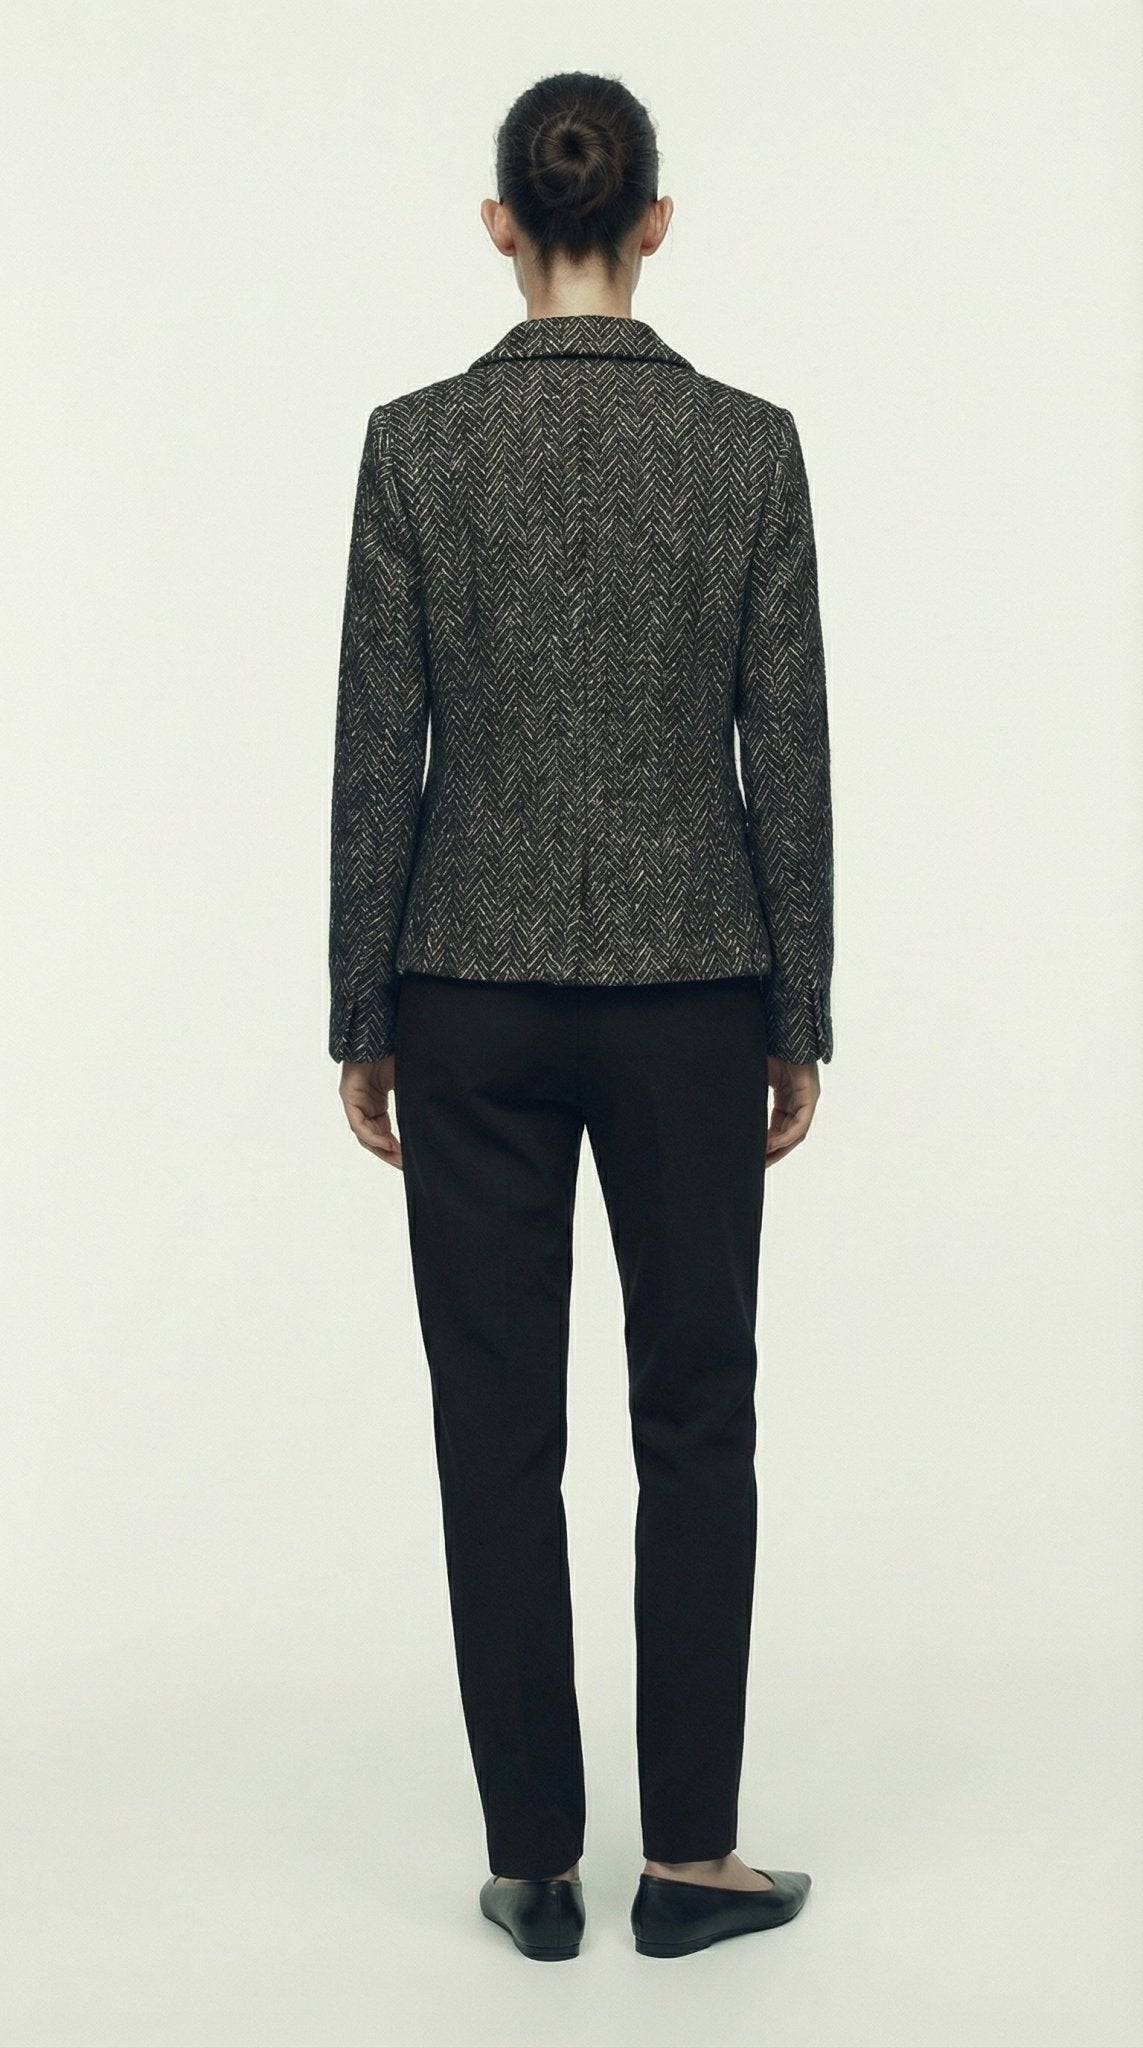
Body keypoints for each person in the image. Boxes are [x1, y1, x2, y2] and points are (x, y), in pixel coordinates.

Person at [327, 69, 834, 1963]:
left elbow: (380, 751)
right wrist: (802, 1003)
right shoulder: (749, 450)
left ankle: (535, 1862)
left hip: (466, 992)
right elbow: (788, 753)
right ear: (654, 223)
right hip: (697, 993)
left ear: (500, 226)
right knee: (697, 1418)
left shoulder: (415, 450)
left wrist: (360, 1004)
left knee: (494, 1428)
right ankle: (689, 1862)